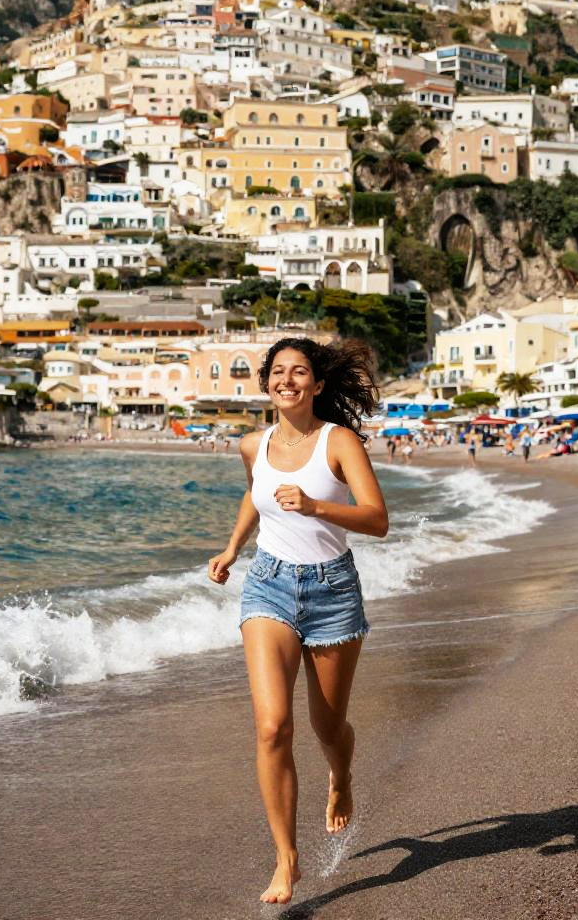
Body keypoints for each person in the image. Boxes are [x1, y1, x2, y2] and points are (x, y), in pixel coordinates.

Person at [207, 337, 389, 906]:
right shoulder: (252, 444)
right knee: (272, 727)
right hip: (268, 586)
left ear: (318, 384)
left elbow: (377, 519)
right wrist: (233, 548)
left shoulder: (339, 442)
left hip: (333, 591)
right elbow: (254, 495)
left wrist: (315, 506)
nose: (288, 380)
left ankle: (341, 777)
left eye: (300, 371)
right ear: (266, 384)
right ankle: (286, 859)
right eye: (278, 372)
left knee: (327, 728)